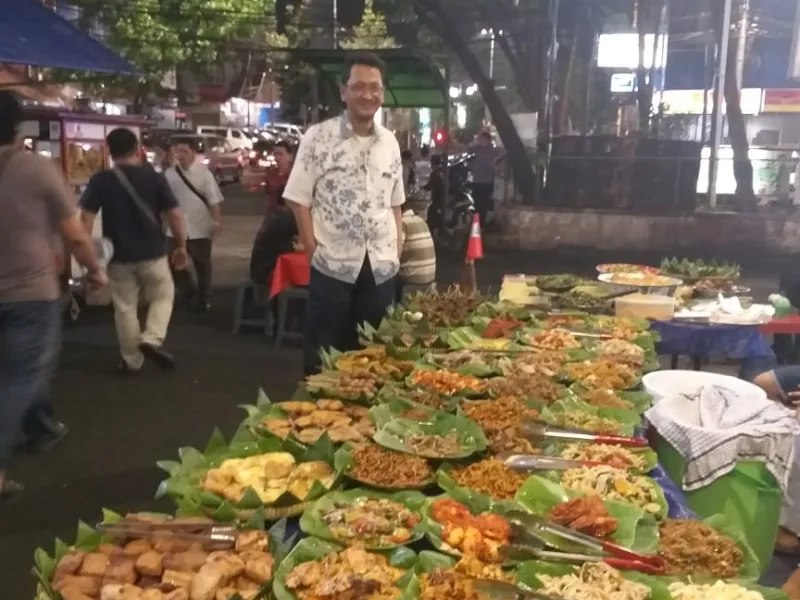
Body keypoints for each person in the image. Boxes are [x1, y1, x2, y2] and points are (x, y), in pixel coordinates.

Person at [0, 91, 106, 498]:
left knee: (24, 366)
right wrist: (94, 269)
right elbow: (74, 231)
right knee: (21, 373)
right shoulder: (35, 168)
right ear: (17, 126)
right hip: (30, 290)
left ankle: (41, 427)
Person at [285, 52, 404, 375]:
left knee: (376, 357)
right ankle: (317, 420)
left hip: (380, 268)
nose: (367, 94)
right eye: (359, 86)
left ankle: (370, 422)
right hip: (332, 266)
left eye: (375, 87)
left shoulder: (390, 143)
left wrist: (396, 248)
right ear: (344, 92)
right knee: (324, 357)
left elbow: (395, 202)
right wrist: (313, 251)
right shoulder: (317, 138)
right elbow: (299, 200)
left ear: (382, 92)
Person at [80, 128, 189, 374]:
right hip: (153, 252)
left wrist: (89, 257)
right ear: (137, 148)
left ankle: (132, 361)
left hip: (118, 256)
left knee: (125, 306)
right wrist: (182, 245)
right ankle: (151, 338)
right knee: (163, 295)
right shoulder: (154, 177)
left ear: (110, 151)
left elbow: (85, 219)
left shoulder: (101, 180)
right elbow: (174, 214)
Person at [164, 136, 224, 311]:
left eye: (184, 151)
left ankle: (205, 298)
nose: (180, 155)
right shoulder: (169, 174)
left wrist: (216, 223)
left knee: (203, 265)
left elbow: (214, 201)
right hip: (175, 229)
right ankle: (189, 291)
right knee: (171, 262)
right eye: (178, 151)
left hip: (200, 227)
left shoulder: (204, 174)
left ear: (193, 153)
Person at [396, 199, 436, 304]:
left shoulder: (402, 223)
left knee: (385, 279)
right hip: (430, 274)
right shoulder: (420, 220)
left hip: (413, 276)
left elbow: (396, 252)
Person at [469, 130, 504, 227]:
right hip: (476, 180)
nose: (480, 141)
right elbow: (467, 150)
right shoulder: (476, 149)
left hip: (487, 180)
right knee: (477, 203)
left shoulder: (493, 150)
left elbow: (504, 151)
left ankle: (483, 224)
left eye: (482, 139)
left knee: (484, 203)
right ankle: (477, 223)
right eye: (479, 139)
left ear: (488, 140)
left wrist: (495, 162)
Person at [264, 140, 294, 215]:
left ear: (290, 156)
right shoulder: (271, 175)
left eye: (280, 154)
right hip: (274, 217)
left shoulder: (295, 176)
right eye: (275, 154)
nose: (277, 158)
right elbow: (268, 197)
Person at [426, 154, 446, 236]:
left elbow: (430, 186)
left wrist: (424, 187)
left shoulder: (436, 174)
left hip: (437, 200)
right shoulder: (442, 172)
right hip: (439, 200)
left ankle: (434, 235)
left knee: (432, 219)